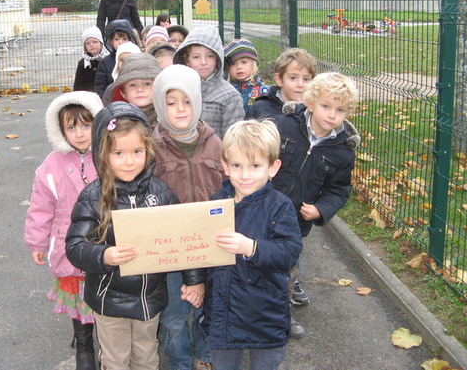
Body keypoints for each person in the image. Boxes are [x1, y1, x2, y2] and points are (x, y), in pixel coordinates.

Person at [65, 102, 205, 370]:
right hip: (109, 300)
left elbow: (183, 237)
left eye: (137, 151)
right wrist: (103, 255)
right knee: (115, 360)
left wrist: (194, 280)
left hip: (149, 301)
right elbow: (74, 246)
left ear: (148, 151)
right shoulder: (93, 197)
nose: (129, 161)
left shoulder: (161, 193)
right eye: (118, 153)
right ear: (102, 154)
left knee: (146, 357)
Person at [200, 120, 302, 370]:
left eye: (255, 166)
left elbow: (288, 253)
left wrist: (251, 247)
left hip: (265, 314)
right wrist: (196, 281)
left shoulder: (280, 205)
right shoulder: (217, 202)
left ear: (273, 167)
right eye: (237, 165)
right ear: (225, 166)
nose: (245, 175)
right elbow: (202, 249)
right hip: (222, 311)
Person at [272, 72, 361, 339]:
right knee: (248, 262)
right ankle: (243, 311)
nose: (332, 115)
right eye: (326, 106)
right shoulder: (282, 126)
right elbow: (257, 153)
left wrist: (321, 209)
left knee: (286, 271)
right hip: (260, 208)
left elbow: (339, 188)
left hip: (294, 222)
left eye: (340, 110)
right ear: (310, 103)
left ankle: (281, 318)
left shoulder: (342, 151)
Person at [24, 91, 104, 370]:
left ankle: (108, 344)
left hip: (103, 241)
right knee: (78, 296)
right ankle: (84, 346)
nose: (79, 133)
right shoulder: (51, 164)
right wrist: (37, 242)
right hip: (68, 242)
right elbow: (40, 206)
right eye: (71, 127)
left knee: (103, 293)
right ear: (60, 130)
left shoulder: (109, 156)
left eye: (86, 124)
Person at [152, 64, 224, 370]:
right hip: (169, 250)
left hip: (210, 246)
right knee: (174, 316)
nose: (180, 109)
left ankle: (203, 356)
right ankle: (179, 361)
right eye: (171, 102)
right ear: (159, 104)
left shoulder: (216, 143)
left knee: (210, 308)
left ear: (197, 101)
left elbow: (230, 189)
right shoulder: (150, 147)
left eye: (186, 101)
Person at [173, 26, 244, 140]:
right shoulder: (177, 90)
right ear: (187, 60)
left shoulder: (230, 96)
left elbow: (233, 141)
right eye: (196, 57)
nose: (204, 62)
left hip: (215, 155)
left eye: (210, 56)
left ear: (218, 57)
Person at [246, 48, 317, 120]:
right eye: (293, 78)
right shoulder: (260, 110)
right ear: (279, 79)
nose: (300, 84)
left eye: (306, 79)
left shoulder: (316, 111)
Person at [108, 52, 162, 125]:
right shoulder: (116, 123)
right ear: (123, 93)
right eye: (132, 85)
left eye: (147, 84)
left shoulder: (168, 119)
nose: (140, 90)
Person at [95, 19, 138, 99]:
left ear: (130, 40)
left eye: (124, 39)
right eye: (116, 39)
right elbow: (100, 87)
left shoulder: (136, 58)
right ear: (111, 41)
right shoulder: (105, 62)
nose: (120, 42)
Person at [223, 39, 269, 113]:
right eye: (233, 64)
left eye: (244, 62)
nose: (239, 67)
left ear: (253, 64)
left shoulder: (262, 90)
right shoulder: (224, 89)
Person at [74, 27, 110, 92]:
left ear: (101, 42)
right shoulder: (83, 63)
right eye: (88, 43)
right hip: (88, 97)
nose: (91, 45)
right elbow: (78, 85)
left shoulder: (107, 59)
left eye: (95, 42)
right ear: (85, 46)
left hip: (105, 96)